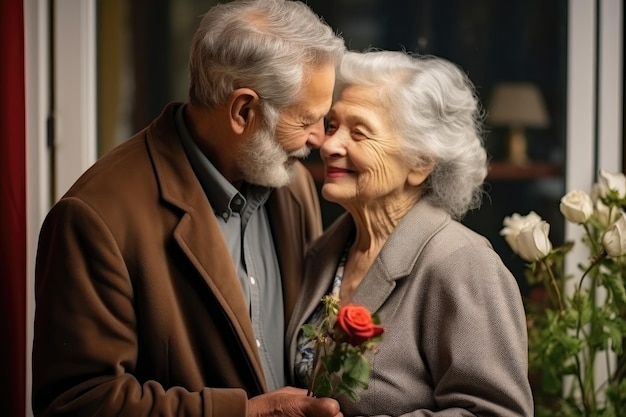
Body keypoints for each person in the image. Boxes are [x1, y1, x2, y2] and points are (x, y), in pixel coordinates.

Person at [32, 1, 346, 416]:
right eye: (307, 120)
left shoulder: (293, 187)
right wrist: (247, 413)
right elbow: (76, 402)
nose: (320, 141)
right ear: (243, 111)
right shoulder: (95, 218)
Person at [286, 50, 534, 416]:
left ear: (419, 162)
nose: (330, 144)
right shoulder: (326, 251)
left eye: (359, 132)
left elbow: (497, 412)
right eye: (333, 125)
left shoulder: (462, 264)